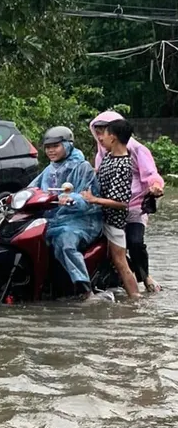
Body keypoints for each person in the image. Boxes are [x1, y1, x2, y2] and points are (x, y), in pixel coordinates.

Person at [90, 110, 165, 293]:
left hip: (132, 207)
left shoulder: (135, 151)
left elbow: (151, 174)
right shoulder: (103, 154)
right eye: (97, 131)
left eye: (104, 131)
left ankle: (145, 278)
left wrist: (155, 186)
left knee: (135, 243)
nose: (100, 136)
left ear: (114, 133)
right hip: (107, 208)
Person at [27, 126, 103, 298]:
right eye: (47, 147)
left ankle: (85, 289)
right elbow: (33, 187)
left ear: (68, 145)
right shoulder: (50, 168)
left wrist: (71, 198)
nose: (51, 150)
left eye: (55, 146)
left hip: (82, 220)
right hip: (56, 219)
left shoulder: (82, 167)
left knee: (65, 241)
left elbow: (89, 197)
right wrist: (18, 196)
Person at [82, 119, 141, 298]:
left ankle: (136, 300)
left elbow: (122, 202)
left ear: (113, 138)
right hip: (100, 216)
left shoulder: (123, 165)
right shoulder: (109, 156)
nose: (101, 138)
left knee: (120, 261)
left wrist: (94, 199)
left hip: (113, 220)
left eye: (104, 135)